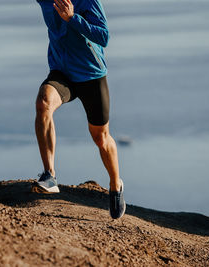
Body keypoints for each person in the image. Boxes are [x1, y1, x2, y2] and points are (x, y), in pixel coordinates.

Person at [32, 0, 125, 219]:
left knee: (101, 138)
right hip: (61, 73)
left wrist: (73, 19)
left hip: (90, 75)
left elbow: (104, 37)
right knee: (43, 102)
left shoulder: (88, 1)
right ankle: (49, 175)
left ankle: (115, 184)